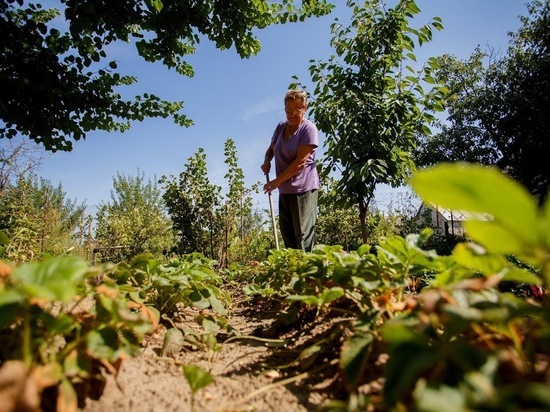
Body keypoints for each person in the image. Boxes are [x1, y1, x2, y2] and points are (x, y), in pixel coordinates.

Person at [261, 89, 320, 252]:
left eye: (297, 110)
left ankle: (306, 275)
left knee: (302, 236)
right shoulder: (280, 127)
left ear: (305, 108)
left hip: (304, 189)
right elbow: (271, 150)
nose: (292, 114)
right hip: (285, 190)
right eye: (288, 110)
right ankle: (292, 273)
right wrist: (267, 161)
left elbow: (300, 163)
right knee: (287, 235)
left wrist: (275, 182)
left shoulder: (308, 130)